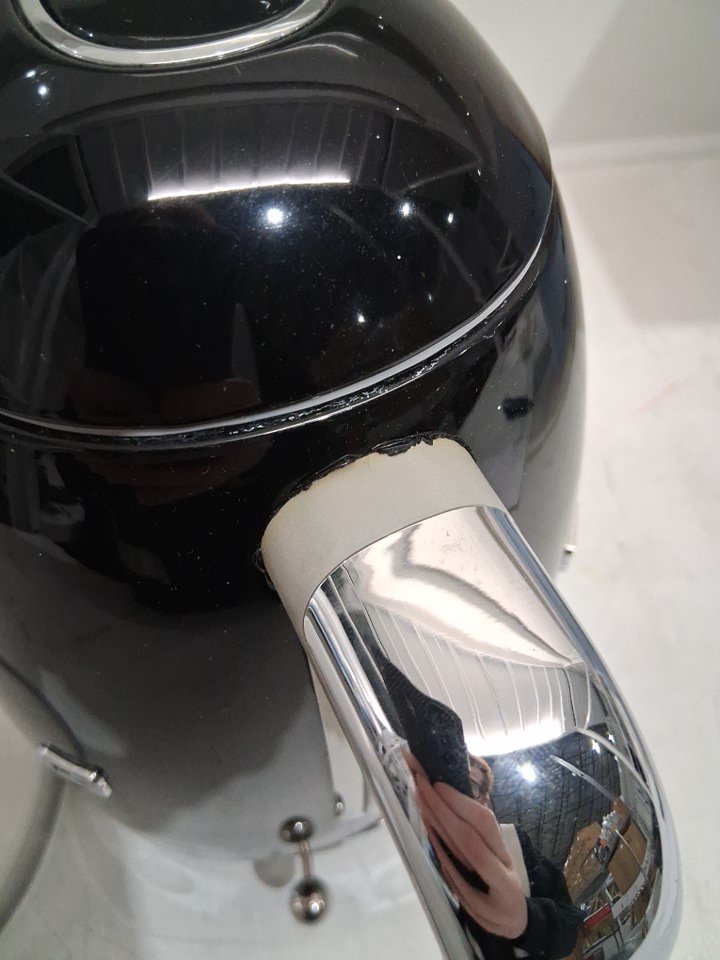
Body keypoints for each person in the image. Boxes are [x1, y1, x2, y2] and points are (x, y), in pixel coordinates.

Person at [409, 753, 585, 960]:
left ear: (484, 800)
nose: (458, 793)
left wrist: (527, 920)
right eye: (452, 783)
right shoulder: (417, 839)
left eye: (469, 786)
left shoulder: (513, 839)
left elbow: (570, 927)